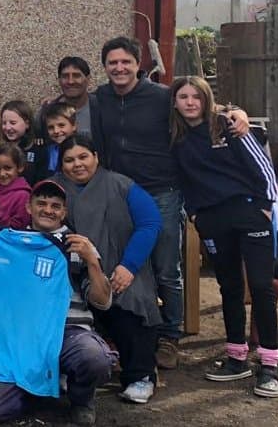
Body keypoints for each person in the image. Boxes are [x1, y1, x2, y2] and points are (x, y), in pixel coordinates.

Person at [91, 36, 251, 369]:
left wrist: (236, 112)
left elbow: (200, 106)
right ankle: (127, 330)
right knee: (123, 261)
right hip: (120, 193)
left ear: (138, 65)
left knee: (166, 266)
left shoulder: (162, 97)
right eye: (112, 63)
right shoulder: (100, 99)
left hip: (161, 191)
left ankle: (169, 336)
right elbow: (72, 105)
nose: (119, 68)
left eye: (126, 62)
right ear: (104, 67)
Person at [170, 76, 278, 398]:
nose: (190, 103)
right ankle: (236, 357)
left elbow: (264, 167)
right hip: (212, 220)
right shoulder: (176, 137)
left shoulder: (227, 124)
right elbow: (184, 181)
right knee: (229, 286)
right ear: (175, 102)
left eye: (196, 97)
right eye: (183, 97)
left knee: (261, 286)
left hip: (250, 213)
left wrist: (265, 206)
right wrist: (195, 215)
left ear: (206, 100)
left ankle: (270, 365)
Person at [0, 180, 115, 426]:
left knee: (94, 358)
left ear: (64, 212)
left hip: (66, 333)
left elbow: (103, 302)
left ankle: (81, 399)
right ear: (28, 207)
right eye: (42, 203)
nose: (48, 210)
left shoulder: (76, 246)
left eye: (56, 206)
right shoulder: (4, 242)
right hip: (18, 338)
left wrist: (92, 261)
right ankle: (33, 390)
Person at [53, 136, 163, 405]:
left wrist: (129, 266)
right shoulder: (55, 189)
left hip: (122, 267)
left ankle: (141, 375)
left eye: (83, 157)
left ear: (96, 157)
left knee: (132, 301)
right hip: (73, 272)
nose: (77, 164)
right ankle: (69, 371)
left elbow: (150, 223)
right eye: (69, 160)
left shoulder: (121, 184)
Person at [0, 141, 32, 229]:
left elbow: (18, 228)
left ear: (20, 167)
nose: (2, 173)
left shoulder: (23, 196)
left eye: (7, 168)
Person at [0, 100, 51, 184]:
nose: (8, 127)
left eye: (13, 123)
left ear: (27, 124)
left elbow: (41, 178)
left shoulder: (37, 148)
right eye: (4, 123)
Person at [43, 56, 95, 139]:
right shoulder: (47, 111)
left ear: (88, 79)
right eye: (65, 76)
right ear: (59, 80)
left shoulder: (102, 108)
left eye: (76, 76)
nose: (70, 81)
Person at [40, 102, 79, 177]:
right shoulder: (48, 151)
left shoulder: (82, 148)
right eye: (51, 127)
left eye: (61, 125)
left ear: (74, 125)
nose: (56, 131)